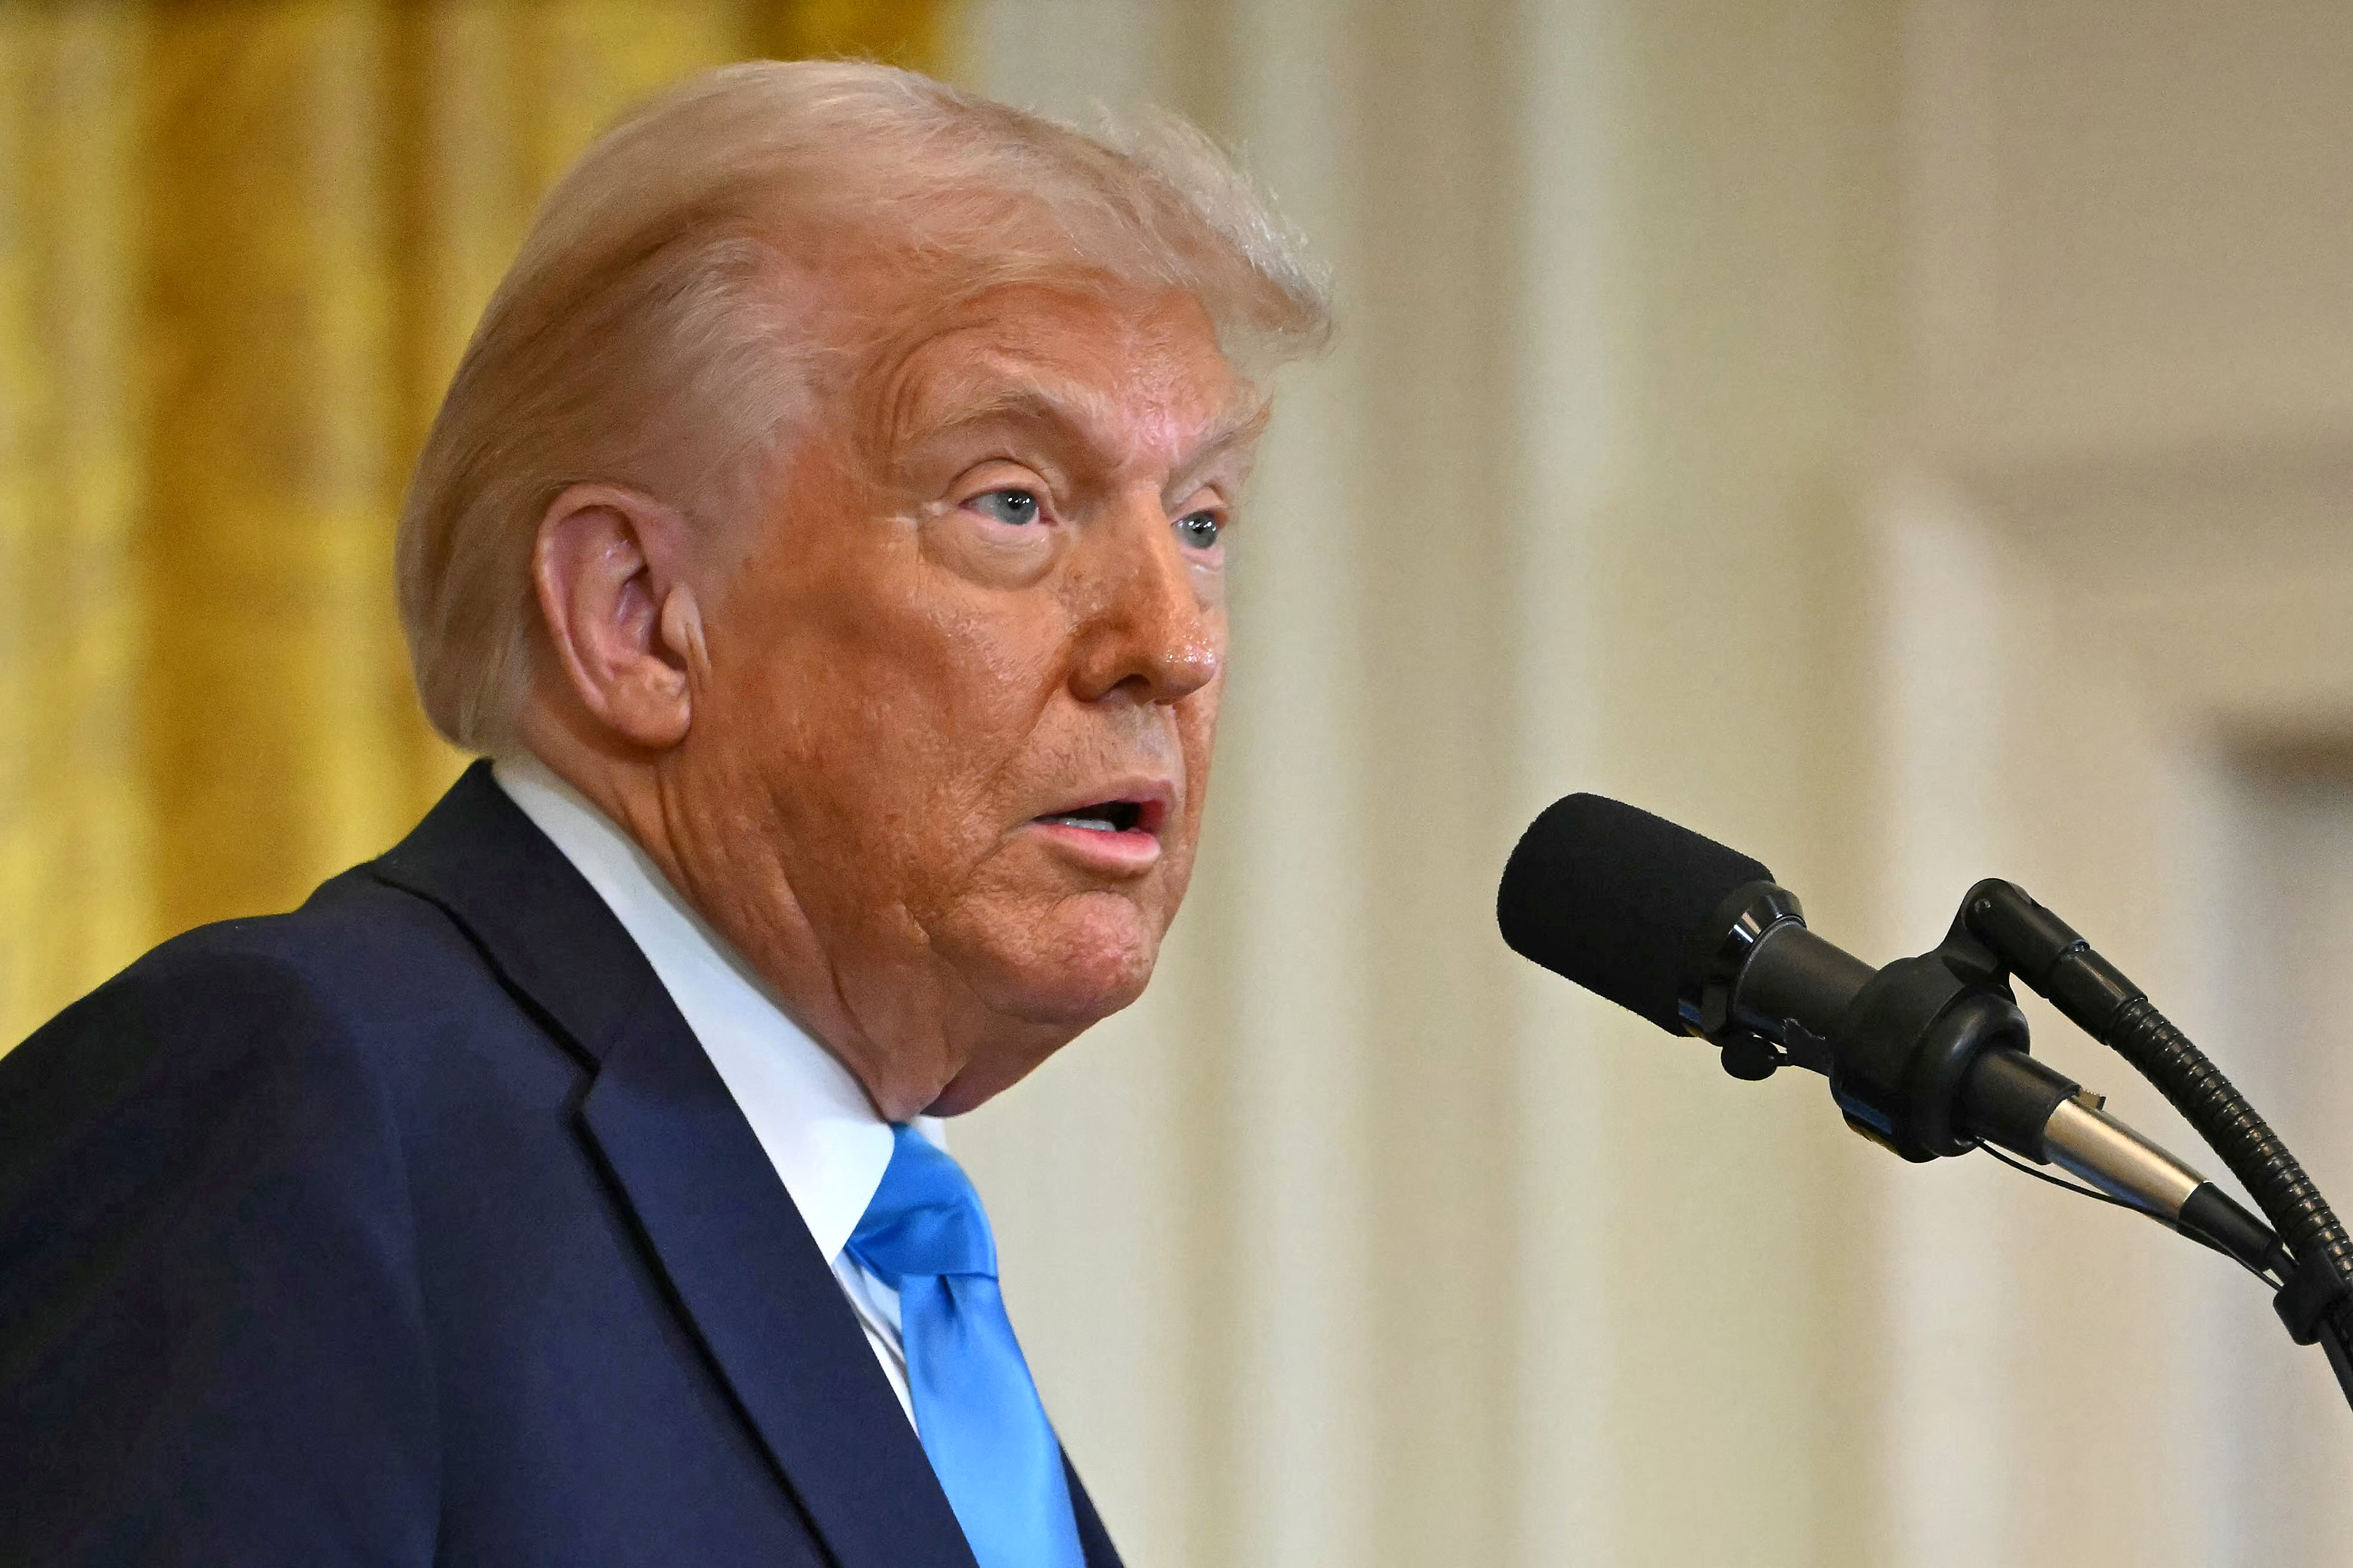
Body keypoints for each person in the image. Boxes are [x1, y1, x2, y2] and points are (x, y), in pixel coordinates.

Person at [0, 60, 1327, 1567]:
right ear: (635, 617)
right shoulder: (293, 1101)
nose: (1176, 639)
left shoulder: (888, 1269)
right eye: (1013, 499)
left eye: (1201, 519)